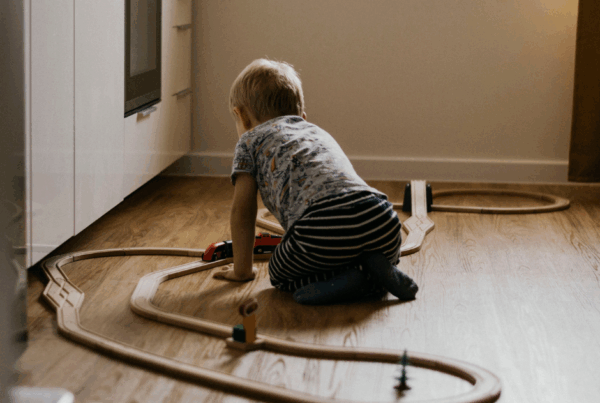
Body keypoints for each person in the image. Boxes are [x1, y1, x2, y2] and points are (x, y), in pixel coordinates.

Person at [213, 58, 418, 305]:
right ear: (302, 115)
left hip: (322, 225)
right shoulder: (316, 131)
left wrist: (242, 271)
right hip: (379, 217)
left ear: (242, 117)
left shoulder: (249, 141)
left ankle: (346, 281)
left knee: (278, 272)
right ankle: (377, 266)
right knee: (366, 244)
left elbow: (242, 210)